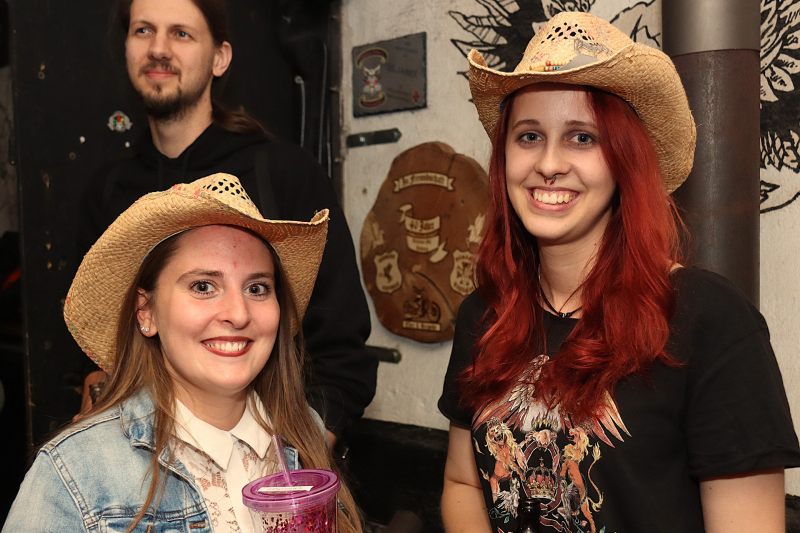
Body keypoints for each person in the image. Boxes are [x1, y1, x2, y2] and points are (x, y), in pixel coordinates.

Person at [438, 12, 800, 533]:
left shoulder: (712, 321)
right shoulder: (484, 314)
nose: (549, 164)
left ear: (623, 161)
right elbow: (464, 483)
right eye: (529, 135)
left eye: (582, 138)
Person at [75, 0, 376, 446]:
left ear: (219, 58)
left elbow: (341, 353)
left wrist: (288, 466)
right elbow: (98, 352)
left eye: (181, 33)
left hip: (267, 454)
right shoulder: (108, 190)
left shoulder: (283, 174)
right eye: (143, 31)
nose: (158, 49)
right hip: (141, 461)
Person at [4, 174, 362, 533]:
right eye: (203, 286)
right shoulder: (74, 473)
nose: (238, 314)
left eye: (257, 288)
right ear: (146, 311)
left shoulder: (305, 437)